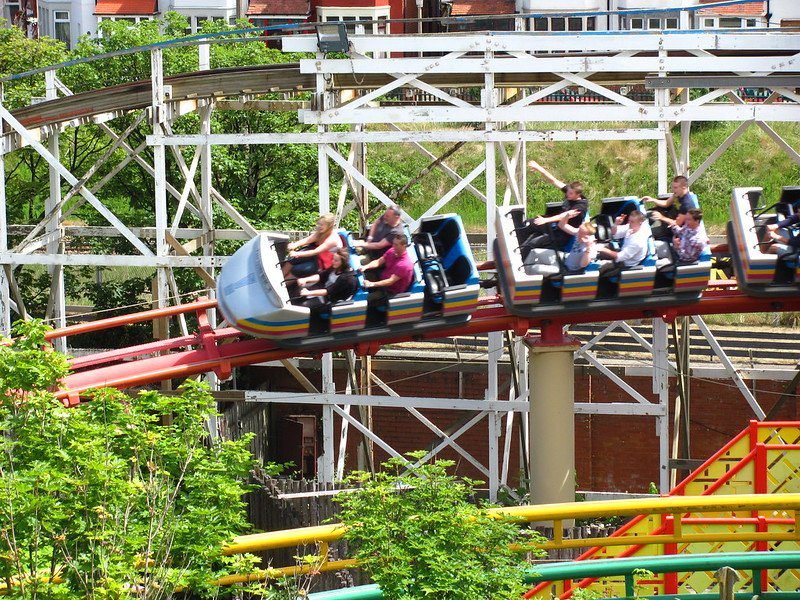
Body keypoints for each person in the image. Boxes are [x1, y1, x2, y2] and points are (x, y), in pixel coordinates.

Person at [521, 160, 589, 251]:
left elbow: (563, 216)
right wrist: (538, 168)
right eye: (568, 192)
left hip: (561, 234)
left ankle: (522, 254)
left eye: (571, 194)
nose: (568, 194)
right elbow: (553, 180)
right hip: (554, 225)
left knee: (532, 244)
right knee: (528, 224)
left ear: (578, 195)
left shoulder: (581, 207)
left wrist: (546, 220)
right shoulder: (570, 191)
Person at [296, 247, 358, 333]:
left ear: (342, 263)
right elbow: (321, 276)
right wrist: (305, 279)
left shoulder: (347, 279)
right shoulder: (335, 267)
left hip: (330, 299)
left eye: (336, 260)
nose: (333, 262)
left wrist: (309, 292)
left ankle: (299, 327)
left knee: (302, 306)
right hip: (322, 289)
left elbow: (328, 291)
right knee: (296, 292)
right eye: (333, 259)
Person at [362, 234, 415, 324]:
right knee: (364, 275)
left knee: (365, 299)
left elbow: (390, 281)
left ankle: (370, 321)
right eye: (393, 244)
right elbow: (379, 261)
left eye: (396, 245)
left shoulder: (405, 264)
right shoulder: (392, 251)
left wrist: (372, 284)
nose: (393, 246)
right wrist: (366, 267)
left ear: (404, 246)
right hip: (382, 278)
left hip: (390, 291)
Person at [282, 213, 342, 282]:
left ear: (329, 226)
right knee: (292, 260)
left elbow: (315, 251)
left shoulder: (332, 239)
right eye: (318, 224)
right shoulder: (321, 232)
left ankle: (282, 285)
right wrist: (295, 245)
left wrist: (296, 254)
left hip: (324, 264)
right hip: (317, 257)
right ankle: (278, 278)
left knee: (297, 270)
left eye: (322, 225)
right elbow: (308, 240)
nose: (319, 226)